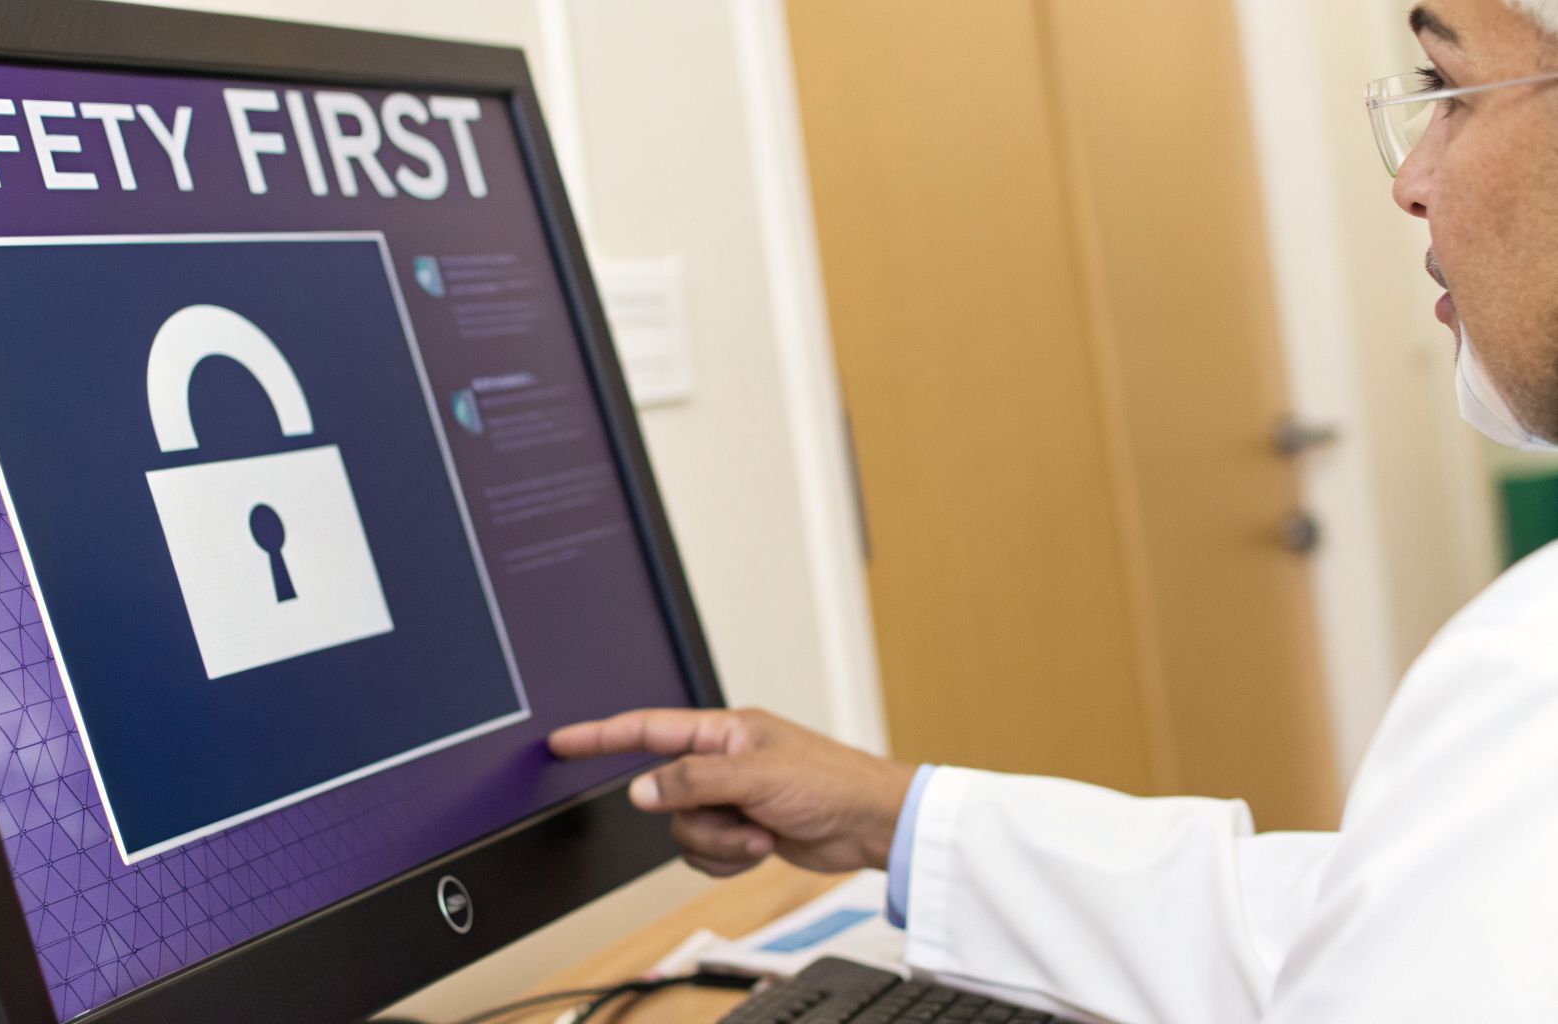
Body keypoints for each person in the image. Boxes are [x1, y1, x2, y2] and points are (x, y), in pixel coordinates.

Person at [549, 1, 1558, 1020]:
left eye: (1444, 90)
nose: (1408, 181)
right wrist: (890, 817)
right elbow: (1343, 930)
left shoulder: (1530, 672)